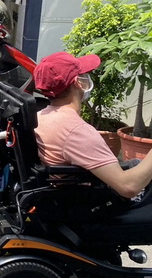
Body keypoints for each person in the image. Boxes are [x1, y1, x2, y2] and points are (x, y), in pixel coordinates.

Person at [34, 51, 152, 202]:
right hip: (89, 204)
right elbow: (128, 187)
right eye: (84, 74)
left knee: (136, 164)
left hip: (62, 196)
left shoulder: (40, 117)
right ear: (78, 82)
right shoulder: (76, 131)